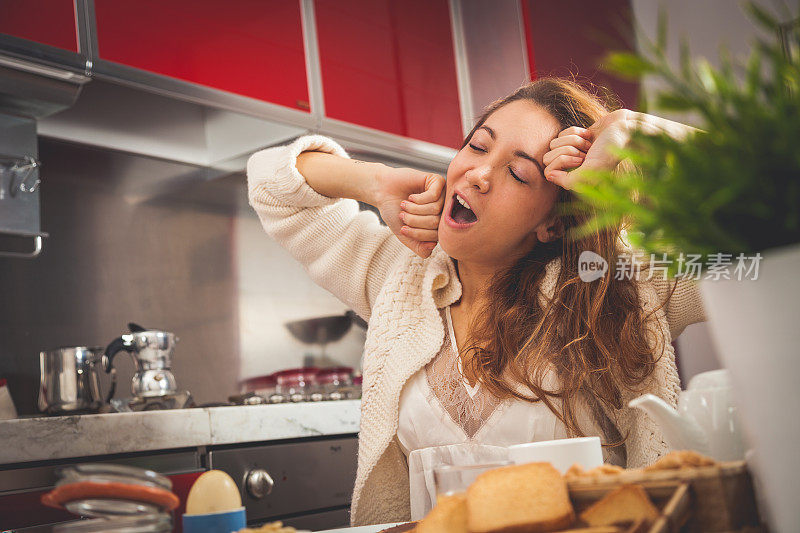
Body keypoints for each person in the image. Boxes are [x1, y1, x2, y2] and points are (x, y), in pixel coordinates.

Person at [246, 78, 705, 525]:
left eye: (518, 174)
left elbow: (768, 235)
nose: (479, 174)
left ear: (552, 224)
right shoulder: (399, 274)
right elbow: (270, 181)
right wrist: (375, 182)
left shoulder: (612, 285)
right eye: (478, 146)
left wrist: (647, 138)